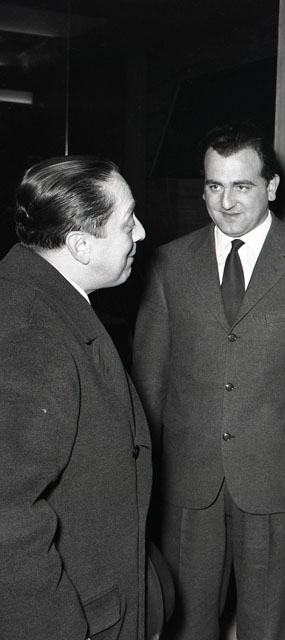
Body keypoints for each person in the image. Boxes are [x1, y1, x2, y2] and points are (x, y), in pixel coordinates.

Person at [132, 123, 285, 640]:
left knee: (267, 627)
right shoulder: (167, 264)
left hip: (276, 484)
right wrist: (143, 483)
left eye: (242, 186)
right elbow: (148, 384)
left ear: (271, 187)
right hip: (187, 484)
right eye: (214, 186)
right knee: (184, 626)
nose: (226, 202)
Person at [0, 156, 151, 640]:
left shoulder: (47, 300)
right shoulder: (31, 332)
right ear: (81, 245)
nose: (141, 233)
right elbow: (8, 520)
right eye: (128, 222)